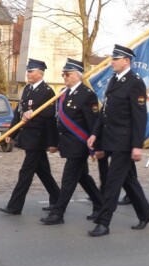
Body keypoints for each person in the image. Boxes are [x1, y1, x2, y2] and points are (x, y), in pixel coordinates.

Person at [87, 44, 149, 237]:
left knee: (113, 182)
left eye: (115, 59)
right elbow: (105, 111)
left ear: (126, 61)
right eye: (112, 58)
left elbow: (139, 116)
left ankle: (103, 222)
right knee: (128, 180)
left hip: (124, 142)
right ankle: (146, 213)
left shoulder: (135, 82)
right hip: (110, 138)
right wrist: (94, 134)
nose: (112, 62)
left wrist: (137, 146)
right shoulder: (114, 80)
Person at [40, 59, 103, 225]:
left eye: (67, 74)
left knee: (68, 179)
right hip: (67, 144)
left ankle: (57, 213)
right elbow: (57, 121)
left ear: (77, 75)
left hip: (79, 144)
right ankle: (100, 205)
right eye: (63, 74)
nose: (64, 77)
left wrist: (95, 146)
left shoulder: (88, 95)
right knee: (83, 177)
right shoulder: (63, 93)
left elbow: (93, 123)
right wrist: (54, 142)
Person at [0, 58, 60, 215]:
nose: (28, 74)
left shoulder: (47, 92)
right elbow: (19, 113)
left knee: (25, 173)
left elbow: (51, 117)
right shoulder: (27, 89)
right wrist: (11, 133)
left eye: (31, 71)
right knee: (43, 171)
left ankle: (14, 206)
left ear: (40, 73)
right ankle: (58, 200)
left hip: (38, 139)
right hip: (28, 136)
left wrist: (53, 142)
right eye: (28, 71)